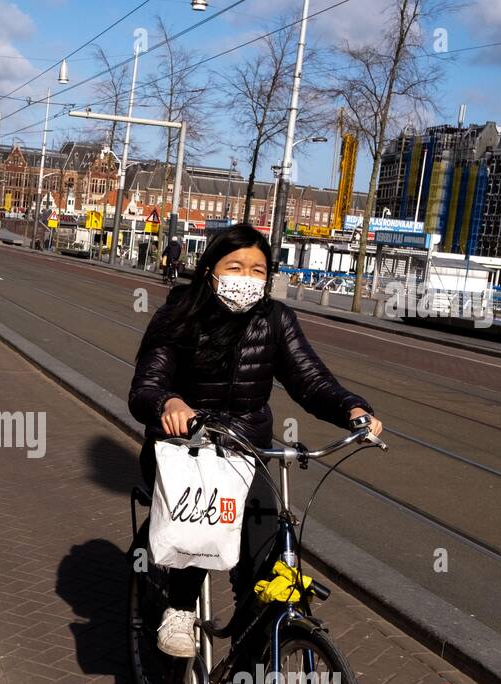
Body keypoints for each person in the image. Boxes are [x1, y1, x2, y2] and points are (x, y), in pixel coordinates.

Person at [128, 224, 383, 657]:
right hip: (185, 450)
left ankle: (253, 678)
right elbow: (146, 385)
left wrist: (352, 410)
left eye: (257, 270)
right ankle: (179, 608)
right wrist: (170, 403)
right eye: (235, 266)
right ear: (210, 270)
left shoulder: (276, 320)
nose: (246, 278)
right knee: (202, 528)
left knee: (266, 564)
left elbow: (310, 379)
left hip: (248, 452)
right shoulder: (179, 315)